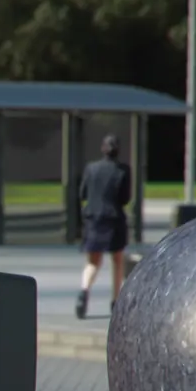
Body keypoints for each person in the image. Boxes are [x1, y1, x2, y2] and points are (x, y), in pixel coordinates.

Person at [76, 134, 132, 319]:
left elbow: (83, 193)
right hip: (113, 219)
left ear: (103, 149)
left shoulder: (91, 168)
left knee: (93, 261)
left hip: (93, 218)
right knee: (117, 260)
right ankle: (115, 301)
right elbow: (125, 198)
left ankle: (84, 291)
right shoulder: (123, 170)